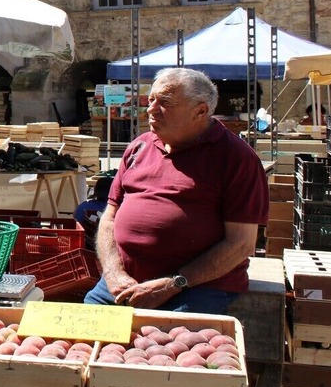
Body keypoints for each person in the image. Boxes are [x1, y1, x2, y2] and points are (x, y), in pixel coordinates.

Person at [83, 67, 268, 315]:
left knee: (164, 347)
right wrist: (113, 272)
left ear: (200, 111)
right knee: (83, 336)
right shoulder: (139, 147)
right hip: (122, 283)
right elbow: (110, 218)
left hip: (195, 288)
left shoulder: (236, 158)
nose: (150, 109)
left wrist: (174, 283)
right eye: (151, 100)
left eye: (165, 102)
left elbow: (241, 243)